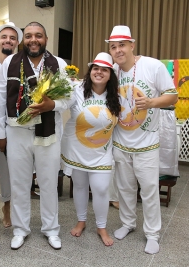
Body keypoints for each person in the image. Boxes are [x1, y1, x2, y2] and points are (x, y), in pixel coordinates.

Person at [0, 21, 69, 250]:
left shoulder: (60, 64)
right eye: (28, 36)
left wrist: (52, 105)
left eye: (38, 35)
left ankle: (51, 229)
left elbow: (69, 99)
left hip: (48, 133)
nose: (33, 40)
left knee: (48, 183)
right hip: (17, 132)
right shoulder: (9, 62)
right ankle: (20, 229)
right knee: (19, 183)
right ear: (22, 40)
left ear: (46, 39)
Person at [106, 25, 178, 254]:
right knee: (125, 188)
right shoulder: (112, 71)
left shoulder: (152, 66)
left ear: (132, 45)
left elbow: (173, 96)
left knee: (148, 189)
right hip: (120, 141)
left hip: (146, 143)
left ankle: (152, 233)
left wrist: (151, 103)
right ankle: (128, 223)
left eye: (122, 45)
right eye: (113, 46)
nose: (118, 50)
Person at [61, 52, 120, 246]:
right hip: (77, 149)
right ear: (90, 71)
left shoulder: (116, 96)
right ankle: (81, 221)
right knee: (79, 186)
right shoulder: (76, 89)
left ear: (110, 74)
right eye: (96, 68)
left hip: (102, 152)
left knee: (101, 188)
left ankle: (101, 227)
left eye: (104, 69)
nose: (99, 72)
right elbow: (60, 102)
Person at [0, 22, 23, 228]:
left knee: (8, 171)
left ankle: (7, 207)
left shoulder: (20, 65)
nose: (8, 40)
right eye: (4, 37)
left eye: (12, 38)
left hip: (7, 128)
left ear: (17, 42)